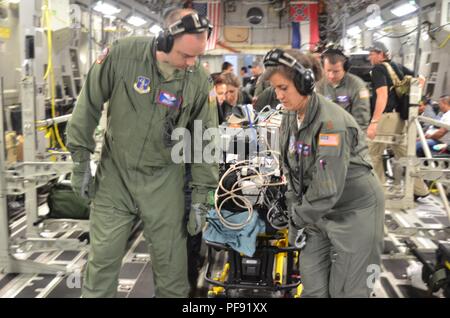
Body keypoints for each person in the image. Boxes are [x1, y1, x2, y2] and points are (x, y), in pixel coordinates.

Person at [66, 9, 219, 298]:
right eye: (186, 55)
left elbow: (205, 143)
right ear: (163, 41)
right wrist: (80, 160)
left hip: (164, 181)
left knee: (172, 272)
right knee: (101, 264)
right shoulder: (122, 55)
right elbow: (87, 106)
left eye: (198, 56)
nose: (192, 63)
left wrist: (202, 198)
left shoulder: (198, 81)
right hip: (116, 177)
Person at [262, 48, 384, 297]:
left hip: (353, 212)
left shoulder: (331, 125)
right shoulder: (290, 116)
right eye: (275, 88)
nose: (278, 96)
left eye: (284, 88)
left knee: (348, 291)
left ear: (305, 82)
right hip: (315, 212)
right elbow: (293, 170)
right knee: (313, 287)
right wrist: (293, 211)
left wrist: (296, 219)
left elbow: (327, 187)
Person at [366, 41, 429, 199]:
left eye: (371, 53)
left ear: (380, 53)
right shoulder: (397, 67)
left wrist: (374, 122)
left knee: (372, 153)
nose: (369, 57)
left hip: (386, 117)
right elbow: (421, 79)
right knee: (404, 154)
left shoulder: (378, 69)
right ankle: (421, 189)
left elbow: (382, 95)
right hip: (400, 118)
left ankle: (377, 190)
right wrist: (416, 100)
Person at [316, 46, 371, 132]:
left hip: (348, 136)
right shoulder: (320, 85)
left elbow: (361, 122)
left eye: (336, 71)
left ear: (345, 69)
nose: (331, 75)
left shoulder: (357, 86)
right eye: (328, 70)